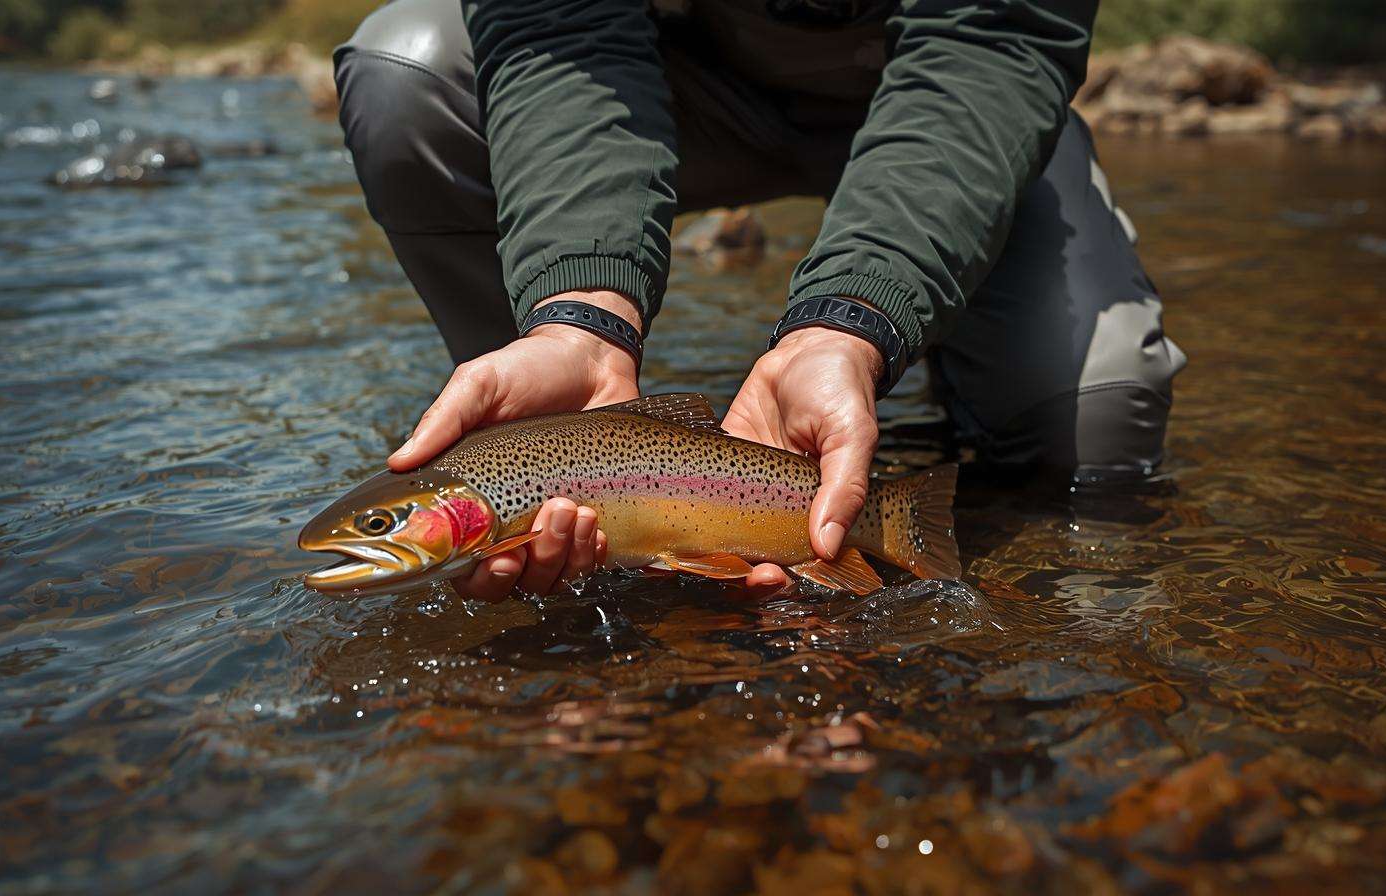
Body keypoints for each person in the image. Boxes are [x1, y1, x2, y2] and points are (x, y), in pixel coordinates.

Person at [332, 0, 1186, 600]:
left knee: (1096, 420)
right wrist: (580, 312)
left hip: (951, 101)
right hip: (678, 83)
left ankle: (894, 443)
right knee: (401, 68)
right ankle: (554, 406)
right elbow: (561, 29)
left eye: (380, 528)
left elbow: (995, 37)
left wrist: (848, 327)